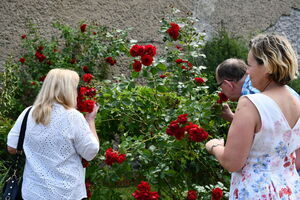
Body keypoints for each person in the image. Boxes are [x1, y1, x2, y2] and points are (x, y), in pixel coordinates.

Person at [206, 34, 300, 199]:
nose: (247, 72)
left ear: (267, 66)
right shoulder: (296, 101)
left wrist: (214, 146)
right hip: (290, 189)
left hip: (257, 192)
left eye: (250, 65)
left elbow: (232, 162)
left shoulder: (251, 103)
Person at [7, 68, 100, 200]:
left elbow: (12, 147)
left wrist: (37, 153)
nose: (77, 93)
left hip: (33, 191)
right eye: (74, 88)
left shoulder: (28, 113)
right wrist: (90, 120)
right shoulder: (73, 117)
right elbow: (91, 152)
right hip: (66, 192)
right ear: (67, 90)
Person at [216, 58, 299, 122]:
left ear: (228, 84)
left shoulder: (249, 95)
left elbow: (264, 128)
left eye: (220, 86)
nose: (221, 91)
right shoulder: (263, 83)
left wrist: (231, 116)